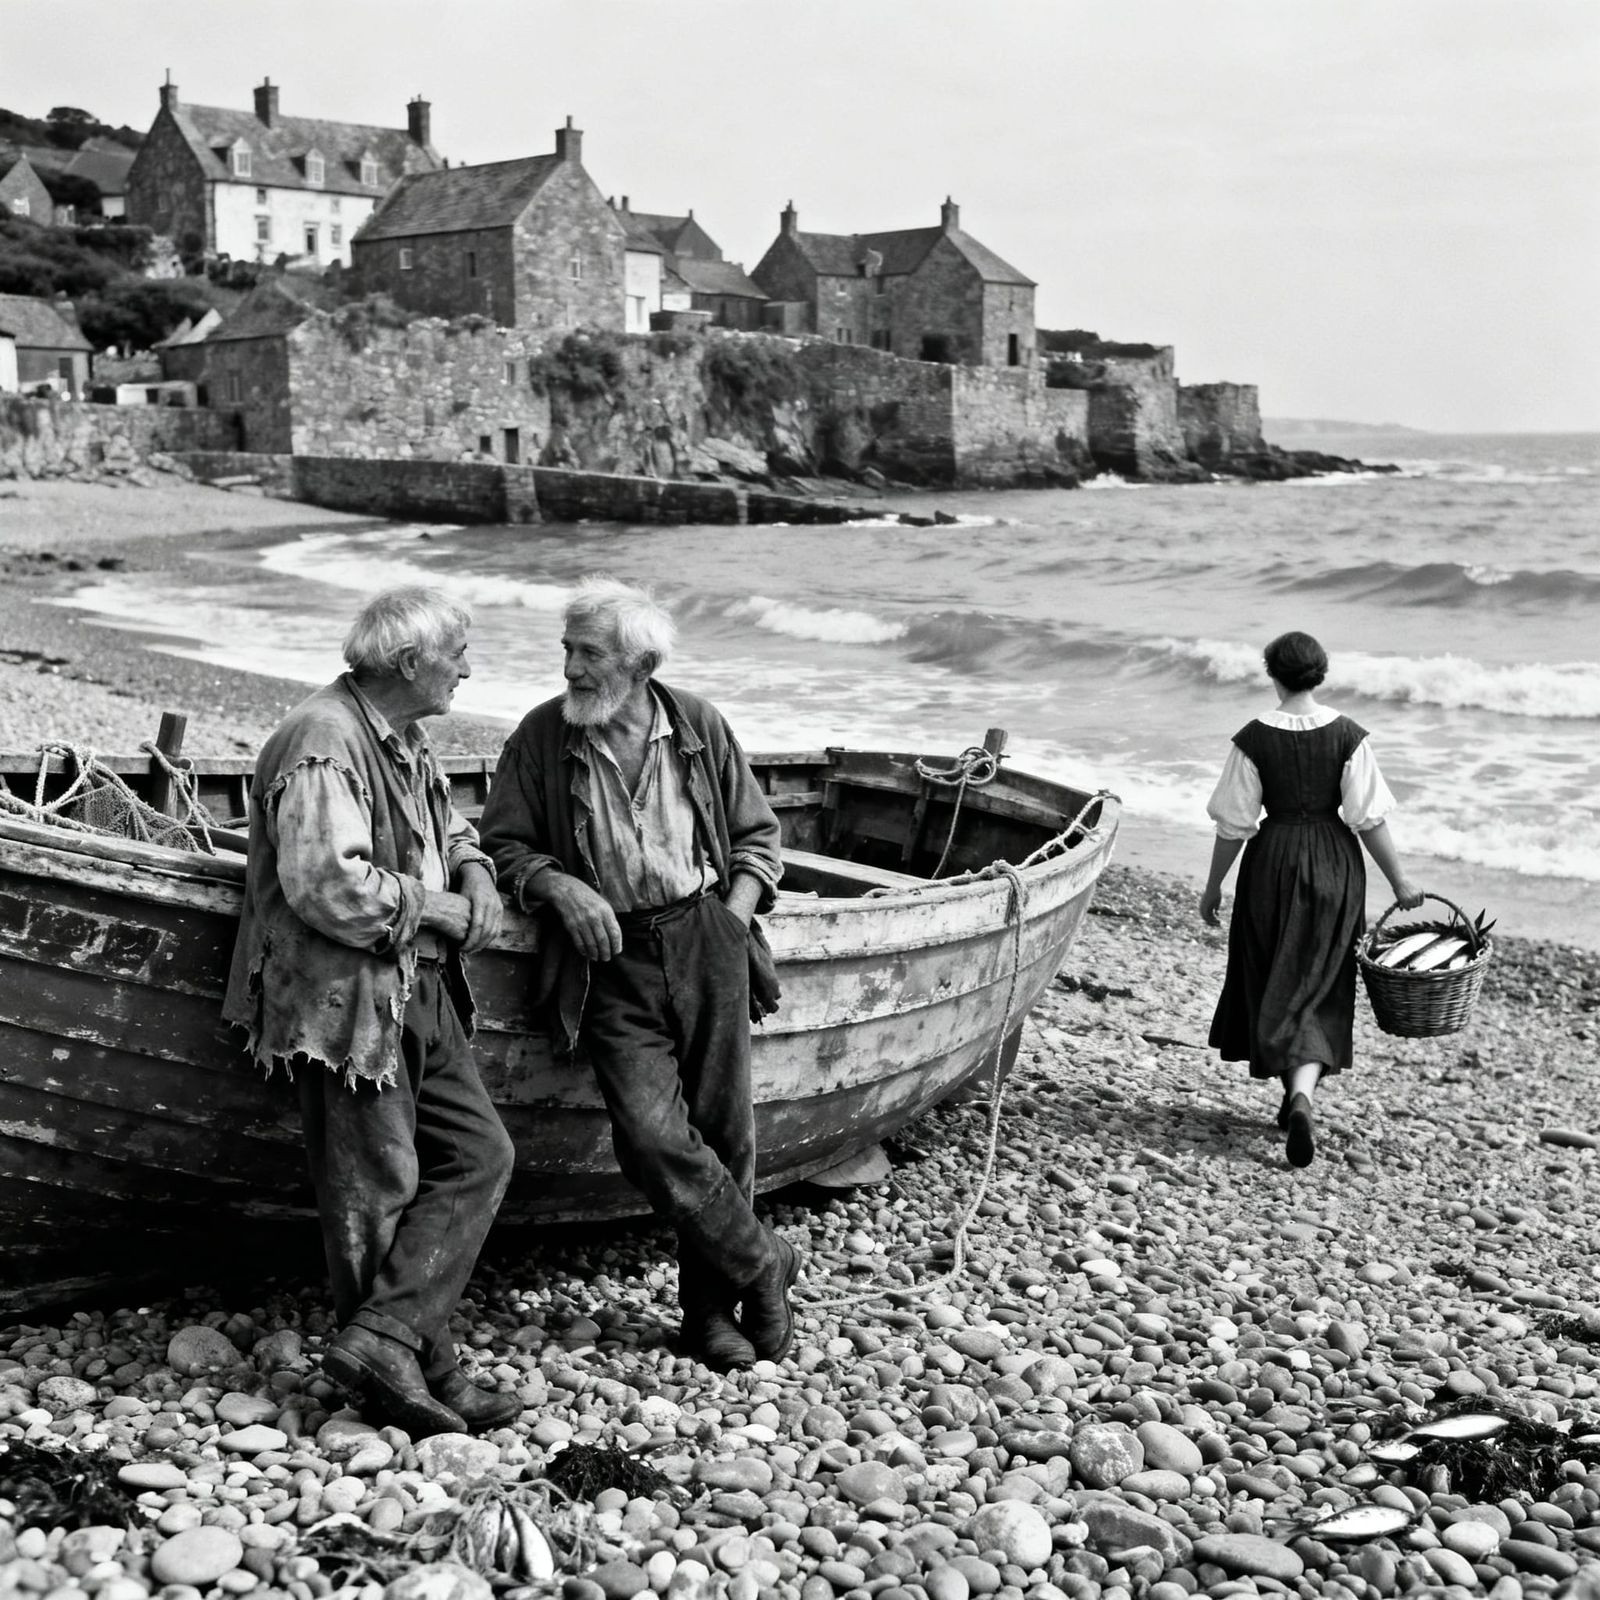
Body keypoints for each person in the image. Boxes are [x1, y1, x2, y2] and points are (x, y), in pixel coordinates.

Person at [478, 576, 797, 1370]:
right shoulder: (543, 736)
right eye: (567, 649)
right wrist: (560, 887)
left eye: (589, 654)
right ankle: (763, 1261)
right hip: (607, 958)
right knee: (652, 1138)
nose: (570, 669)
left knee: (725, 1131)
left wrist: (733, 917)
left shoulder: (698, 725)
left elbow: (757, 837)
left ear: (642, 664)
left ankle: (707, 1314)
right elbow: (503, 844)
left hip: (705, 935)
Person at [224, 586, 518, 1437]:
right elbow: (329, 887)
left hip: (416, 986)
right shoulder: (323, 740)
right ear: (409, 661)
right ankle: (408, 1368)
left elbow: (448, 828)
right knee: (376, 1188)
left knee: (481, 1155)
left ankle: (391, 1341)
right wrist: (444, 909)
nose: (467, 669)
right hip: (346, 999)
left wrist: (476, 871)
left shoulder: (401, 734)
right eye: (457, 654)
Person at [1199, 630, 1422, 1168]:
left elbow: (1234, 824)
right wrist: (1400, 882)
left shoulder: (1252, 739)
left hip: (1271, 863)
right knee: (1320, 983)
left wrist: (1213, 886)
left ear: (1272, 674)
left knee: (1273, 977)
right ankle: (1300, 1095)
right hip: (1333, 866)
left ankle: (1296, 1096)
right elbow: (1368, 819)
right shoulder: (1348, 736)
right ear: (1320, 673)